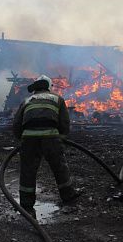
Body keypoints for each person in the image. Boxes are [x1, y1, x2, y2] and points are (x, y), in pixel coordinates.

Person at [13, 74, 79, 219]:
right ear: (49, 87)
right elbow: (64, 123)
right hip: (51, 138)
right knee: (59, 167)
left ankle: (26, 205)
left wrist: (22, 140)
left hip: (29, 138)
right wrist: (60, 138)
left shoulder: (27, 100)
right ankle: (68, 197)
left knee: (28, 171)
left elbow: (17, 124)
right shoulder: (58, 99)